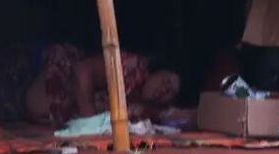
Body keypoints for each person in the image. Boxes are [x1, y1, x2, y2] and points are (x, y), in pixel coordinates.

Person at [25, 44, 180, 126]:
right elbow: (83, 70)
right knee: (38, 104)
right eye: (166, 81)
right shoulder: (132, 67)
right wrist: (91, 123)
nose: (164, 90)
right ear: (155, 70)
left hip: (55, 112)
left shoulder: (146, 109)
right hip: (49, 70)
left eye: (170, 92)